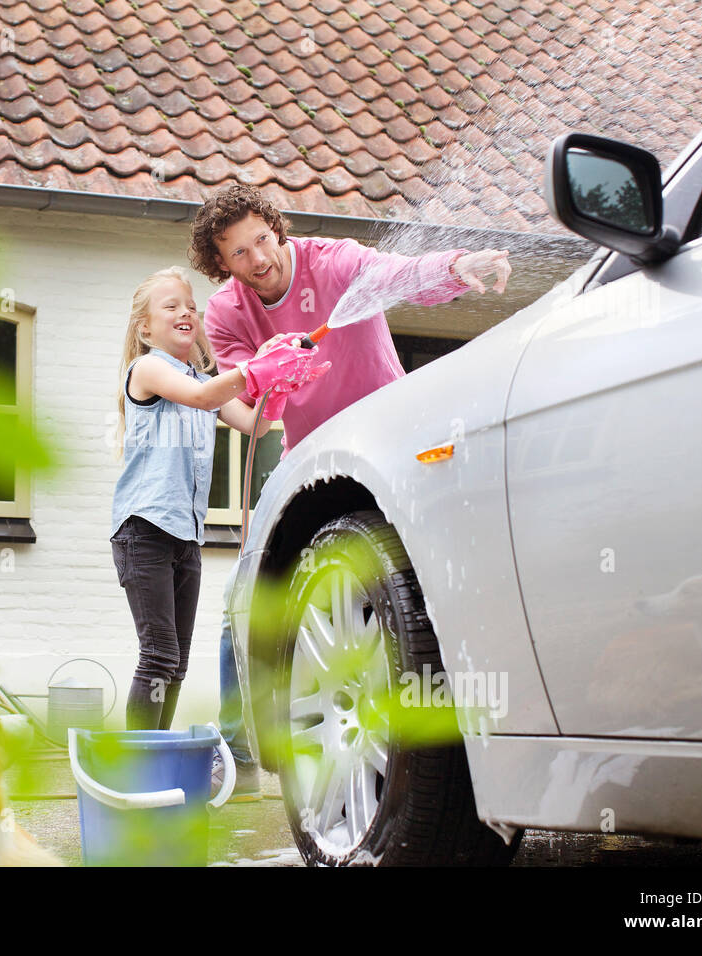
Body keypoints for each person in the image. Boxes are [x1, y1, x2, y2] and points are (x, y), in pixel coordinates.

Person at [188, 184, 511, 798]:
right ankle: (239, 745)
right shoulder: (227, 313)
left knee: (419, 576)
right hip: (309, 456)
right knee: (245, 600)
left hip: (392, 438)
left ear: (276, 229)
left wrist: (459, 267)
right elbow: (243, 398)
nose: (258, 259)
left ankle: (458, 721)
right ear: (220, 264)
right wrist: (265, 376)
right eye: (238, 253)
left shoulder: (330, 261)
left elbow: (399, 273)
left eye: (261, 239)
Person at [110, 266, 330, 730]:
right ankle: (134, 767)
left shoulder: (201, 376)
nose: (186, 312)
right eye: (171, 306)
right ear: (145, 327)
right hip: (144, 531)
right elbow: (203, 396)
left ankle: (156, 755)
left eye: (191, 305)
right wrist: (256, 367)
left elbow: (256, 424)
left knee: (177, 663)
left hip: (185, 537)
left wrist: (279, 383)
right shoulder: (149, 367)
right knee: (158, 656)